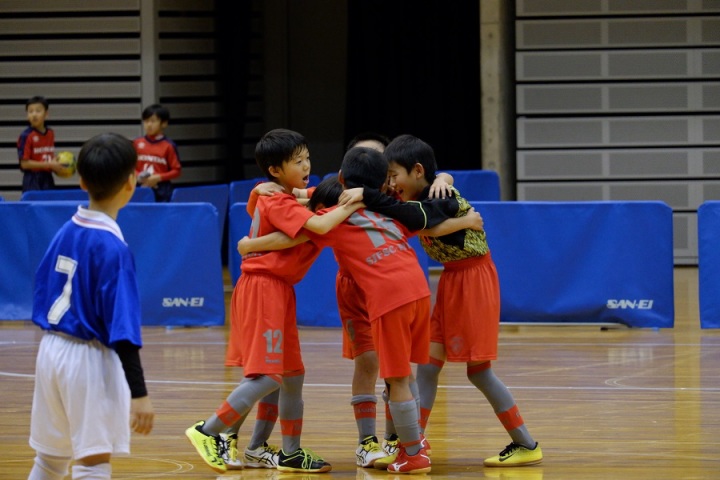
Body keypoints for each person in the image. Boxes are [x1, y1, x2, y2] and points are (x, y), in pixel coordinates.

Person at [239, 148, 484, 474]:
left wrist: (250, 245)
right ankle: (375, 442)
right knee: (374, 364)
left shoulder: (362, 208)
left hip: (386, 292)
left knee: (397, 375)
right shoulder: (363, 204)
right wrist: (264, 190)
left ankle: (409, 448)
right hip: (401, 288)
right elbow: (302, 198)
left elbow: (299, 231)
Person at [185, 128, 363, 475]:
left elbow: (307, 198)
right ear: (275, 170)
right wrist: (355, 202)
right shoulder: (284, 203)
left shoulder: (280, 195)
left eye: (307, 158)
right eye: (298, 161)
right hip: (263, 289)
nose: (306, 165)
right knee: (267, 376)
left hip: (279, 290)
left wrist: (259, 192)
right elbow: (319, 225)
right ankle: (209, 430)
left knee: (292, 374)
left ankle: (280, 451)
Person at [382, 134, 543, 467]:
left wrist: (452, 198)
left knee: (479, 371)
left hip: (474, 281)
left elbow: (418, 223)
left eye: (394, 175)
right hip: (452, 279)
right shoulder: (429, 189)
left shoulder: (439, 197)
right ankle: (414, 444)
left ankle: (526, 443)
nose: (392, 183)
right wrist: (449, 185)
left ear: (417, 171)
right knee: (428, 366)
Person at [27, 133, 155, 480]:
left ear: (81, 181)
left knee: (50, 461)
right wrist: (140, 394)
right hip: (87, 359)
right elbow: (123, 330)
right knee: (93, 463)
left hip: (50, 351)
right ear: (131, 182)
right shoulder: (114, 249)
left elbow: (41, 287)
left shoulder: (65, 230)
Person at [17, 96, 69, 192]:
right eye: (30, 111)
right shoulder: (26, 136)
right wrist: (50, 164)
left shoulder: (50, 133)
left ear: (46, 114)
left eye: (38, 111)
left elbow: (47, 156)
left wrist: (57, 165)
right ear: (27, 115)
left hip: (47, 178)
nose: (34, 114)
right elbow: (24, 164)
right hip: (32, 179)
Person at [132, 103, 181, 202]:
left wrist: (158, 177)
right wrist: (138, 176)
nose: (149, 125)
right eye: (146, 121)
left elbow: (176, 171)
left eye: (153, 121)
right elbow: (129, 167)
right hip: (139, 188)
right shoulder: (136, 143)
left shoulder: (168, 145)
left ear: (164, 123)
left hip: (162, 190)